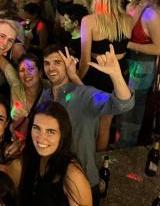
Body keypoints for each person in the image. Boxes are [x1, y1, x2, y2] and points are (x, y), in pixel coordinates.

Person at [38, 44, 134, 205]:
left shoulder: (83, 95)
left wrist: (116, 75)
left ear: (68, 64)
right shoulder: (46, 95)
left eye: (57, 62)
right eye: (47, 63)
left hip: (82, 183)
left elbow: (123, 104)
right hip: (53, 179)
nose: (51, 67)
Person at [79, 0, 132, 151]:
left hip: (97, 74)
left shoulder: (89, 21)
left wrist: (75, 80)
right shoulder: (128, 20)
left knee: (87, 121)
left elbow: (85, 60)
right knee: (105, 125)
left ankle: (83, 159)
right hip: (119, 74)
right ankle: (99, 163)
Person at [120, 0, 160, 147]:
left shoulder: (152, 14)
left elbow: (159, 47)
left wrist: (129, 45)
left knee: (131, 111)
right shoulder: (134, 6)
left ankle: (126, 147)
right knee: (122, 105)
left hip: (141, 66)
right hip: (129, 61)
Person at [19, 101, 92, 206]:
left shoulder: (72, 174)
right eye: (36, 128)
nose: (41, 138)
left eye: (50, 132)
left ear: (62, 135)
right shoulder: (33, 157)